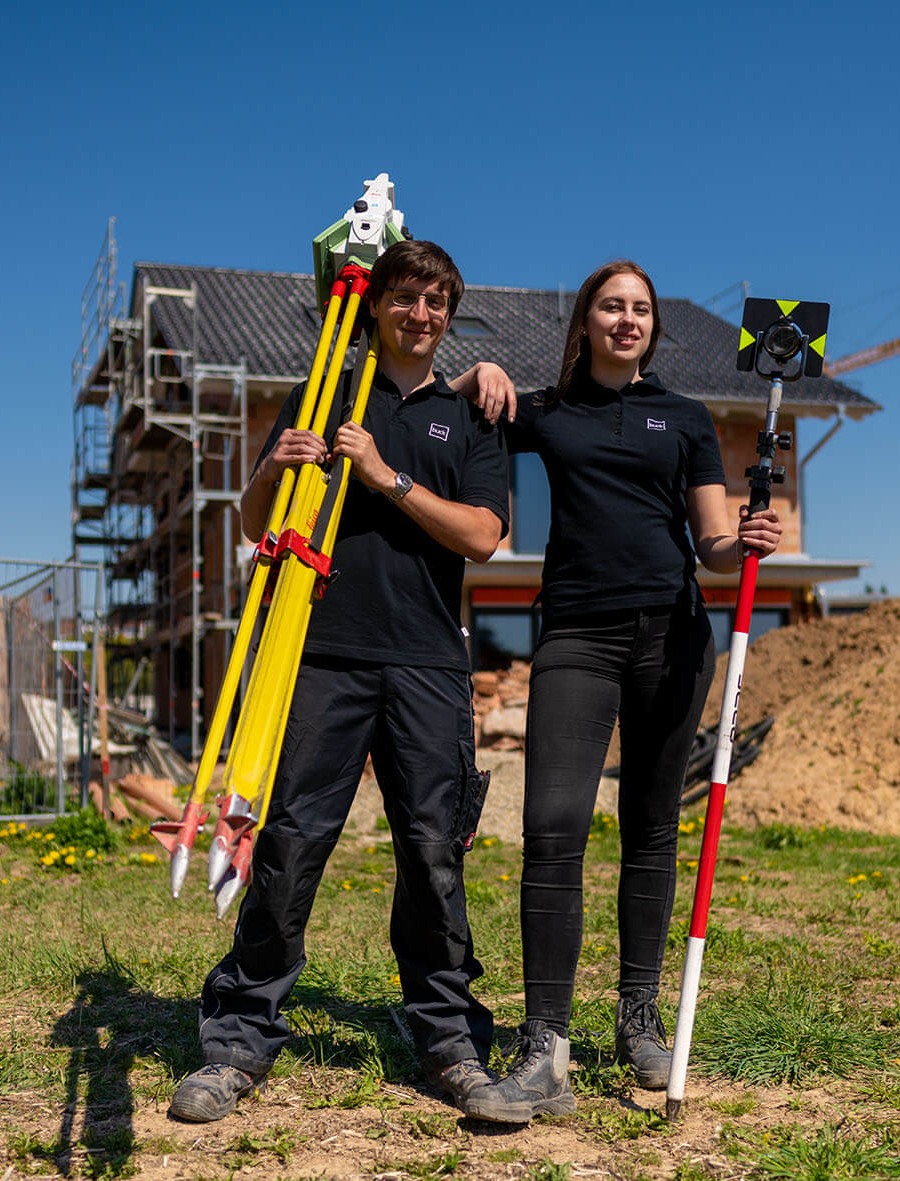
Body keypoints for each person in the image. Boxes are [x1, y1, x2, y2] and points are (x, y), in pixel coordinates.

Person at [168, 240, 510, 1123]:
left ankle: (447, 1039)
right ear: (376, 307)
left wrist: (385, 477)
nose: (419, 314)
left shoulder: (469, 415)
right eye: (404, 298)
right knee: (290, 841)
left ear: (449, 313)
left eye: (435, 301)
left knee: (434, 851)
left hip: (429, 661)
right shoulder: (323, 395)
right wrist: (273, 470)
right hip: (319, 653)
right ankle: (239, 1040)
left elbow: (481, 536)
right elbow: (255, 528)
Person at [453, 260, 781, 1122]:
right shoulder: (550, 411)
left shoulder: (685, 417)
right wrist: (475, 370)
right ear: (586, 321)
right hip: (575, 636)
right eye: (612, 305)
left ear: (652, 327)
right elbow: (463, 406)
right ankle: (545, 1045)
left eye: (640, 308)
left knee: (649, 828)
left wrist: (742, 537)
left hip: (672, 639)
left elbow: (710, 539)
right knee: (552, 824)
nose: (627, 319)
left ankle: (638, 1018)